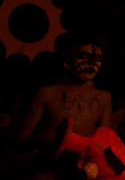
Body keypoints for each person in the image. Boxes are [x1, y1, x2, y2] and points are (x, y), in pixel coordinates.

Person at [16, 38, 113, 179]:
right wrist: (43, 139)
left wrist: (94, 163)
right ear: (67, 62)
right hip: (46, 166)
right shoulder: (47, 93)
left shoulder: (103, 98)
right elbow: (18, 142)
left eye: (97, 58)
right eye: (84, 57)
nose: (92, 63)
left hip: (81, 170)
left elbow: (104, 143)